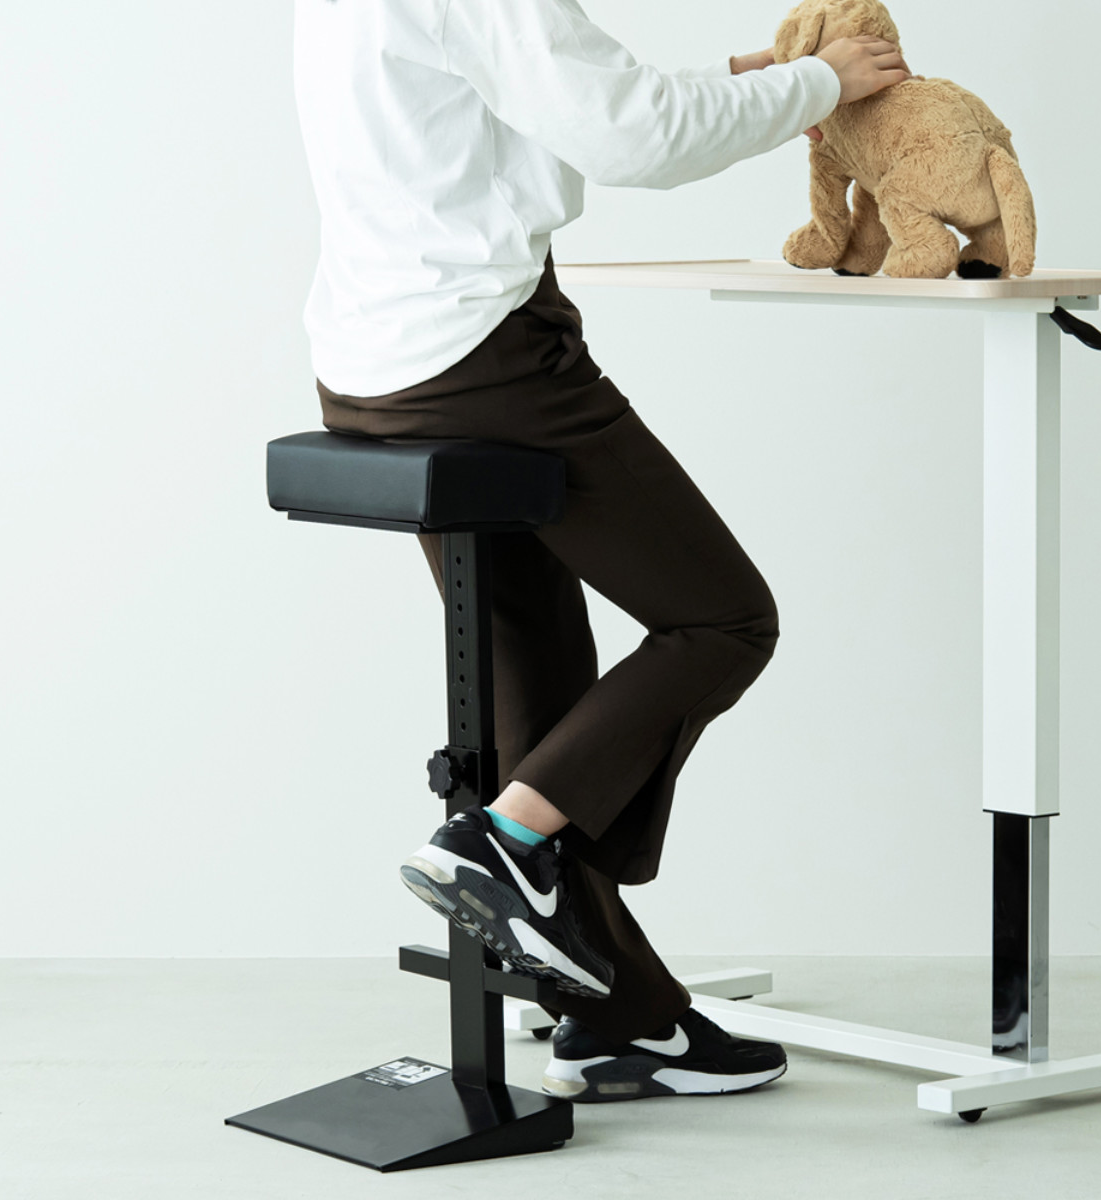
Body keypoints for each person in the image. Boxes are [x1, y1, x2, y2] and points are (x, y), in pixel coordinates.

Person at [292, 0, 909, 1103]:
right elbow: (637, 138)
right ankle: (501, 844)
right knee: (721, 619)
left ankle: (621, 1018)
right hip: (483, 357)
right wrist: (824, 84)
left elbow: (538, 100)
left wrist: (745, 76)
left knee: (539, 689)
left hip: (370, 361)